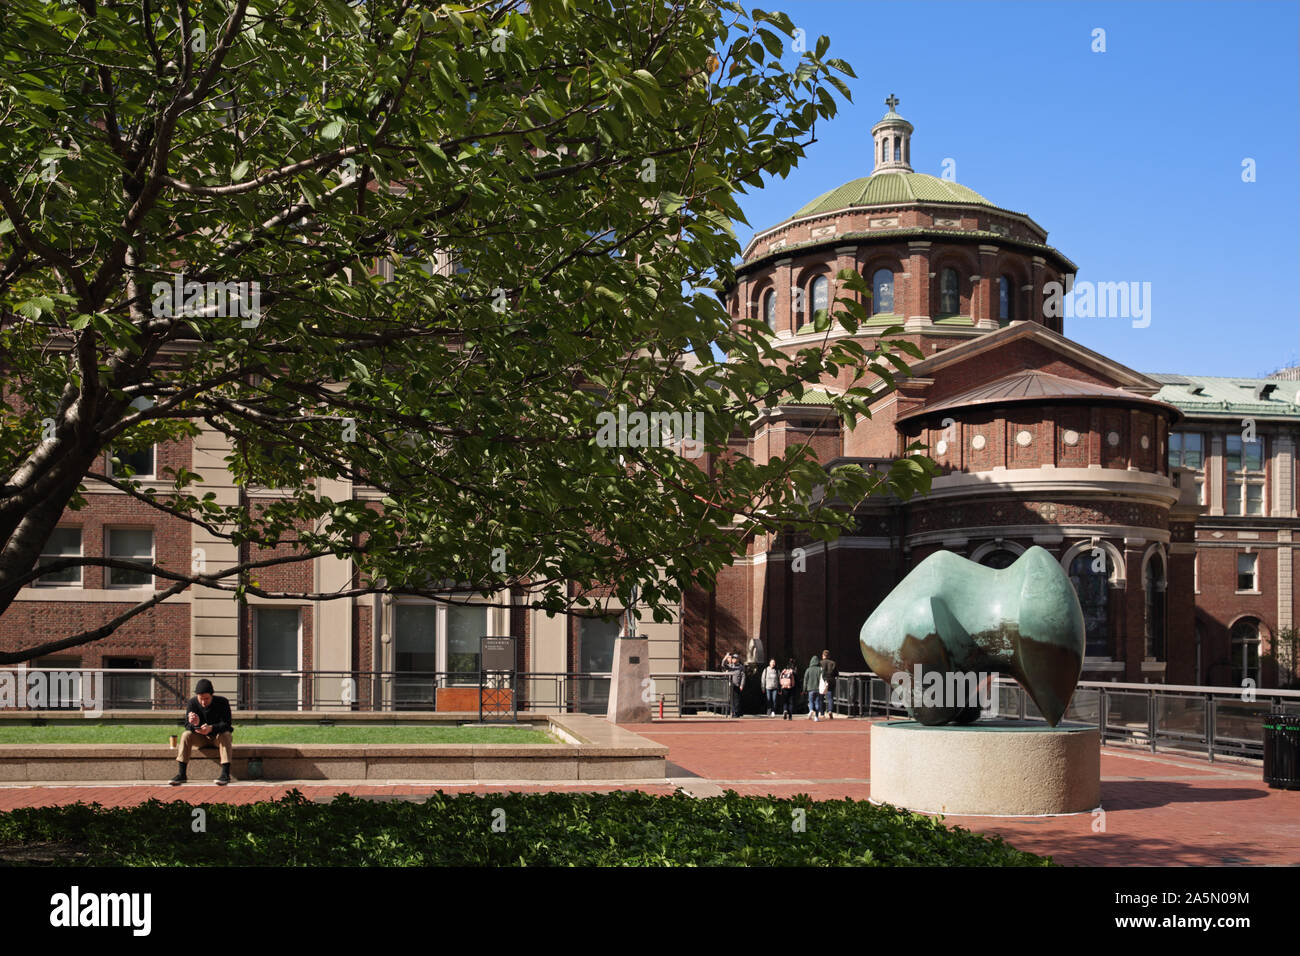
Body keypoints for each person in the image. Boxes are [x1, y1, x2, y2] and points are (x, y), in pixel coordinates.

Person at [169, 678, 235, 785]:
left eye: (207, 698)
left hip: (217, 738)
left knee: (226, 735)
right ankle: (182, 774)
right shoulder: (192, 703)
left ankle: (225, 774)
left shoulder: (222, 702)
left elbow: (227, 724)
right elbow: (187, 725)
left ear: (212, 695)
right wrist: (194, 725)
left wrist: (211, 728)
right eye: (201, 699)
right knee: (186, 735)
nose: (204, 702)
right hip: (200, 738)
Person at [725, 652, 746, 718]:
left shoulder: (741, 667)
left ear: (738, 659)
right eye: (733, 658)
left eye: (735, 658)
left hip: (737, 685)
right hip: (731, 685)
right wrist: (725, 658)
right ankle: (733, 712)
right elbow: (723, 665)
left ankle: (736, 713)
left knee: (736, 700)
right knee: (731, 700)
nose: (734, 659)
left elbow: (743, 676)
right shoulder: (730, 666)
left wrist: (742, 685)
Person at [802, 654, 823, 722]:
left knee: (810, 701)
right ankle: (816, 717)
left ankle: (811, 710)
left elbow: (805, 680)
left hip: (810, 688)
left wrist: (804, 689)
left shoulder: (808, 670)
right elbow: (823, 678)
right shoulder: (820, 669)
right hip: (818, 688)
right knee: (817, 702)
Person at [820, 649, 839, 719]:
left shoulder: (820, 663)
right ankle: (830, 710)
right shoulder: (833, 663)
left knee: (821, 697)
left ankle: (822, 713)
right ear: (829, 656)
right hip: (831, 681)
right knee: (830, 697)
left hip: (823, 681)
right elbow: (837, 673)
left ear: (823, 655)